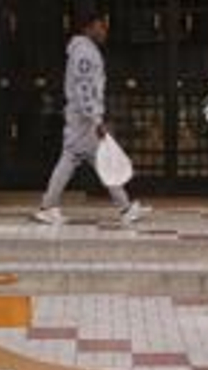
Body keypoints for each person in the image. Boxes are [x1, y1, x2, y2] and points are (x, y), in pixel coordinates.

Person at [33, 12, 150, 226]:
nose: (104, 31)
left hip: (81, 117)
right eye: (100, 27)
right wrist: (96, 119)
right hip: (84, 119)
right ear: (88, 28)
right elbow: (84, 88)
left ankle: (48, 206)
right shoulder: (85, 53)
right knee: (95, 159)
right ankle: (124, 208)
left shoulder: (84, 51)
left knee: (79, 158)